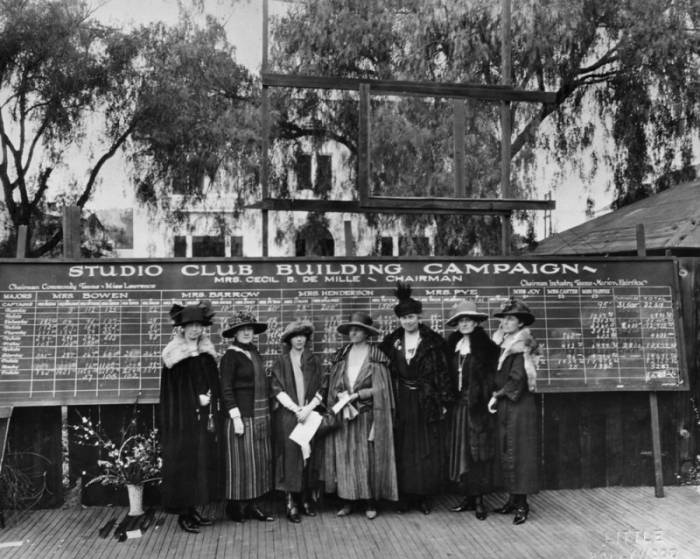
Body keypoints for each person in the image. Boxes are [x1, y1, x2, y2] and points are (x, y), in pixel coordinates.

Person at [379, 283, 450, 514]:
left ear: (418, 317)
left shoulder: (433, 341)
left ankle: (424, 497)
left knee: (425, 448)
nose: (408, 322)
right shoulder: (391, 342)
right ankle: (405, 496)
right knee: (403, 447)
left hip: (425, 399)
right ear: (398, 320)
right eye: (403, 318)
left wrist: (443, 402)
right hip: (401, 400)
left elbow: (442, 373)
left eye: (411, 317)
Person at [323, 311, 398, 519]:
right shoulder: (341, 355)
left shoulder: (376, 357)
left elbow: (382, 391)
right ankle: (347, 501)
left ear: (367, 334)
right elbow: (333, 385)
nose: (353, 333)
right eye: (351, 330)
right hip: (345, 416)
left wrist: (358, 394)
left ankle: (369, 502)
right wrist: (340, 395)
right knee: (345, 458)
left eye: (358, 330)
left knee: (367, 459)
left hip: (367, 415)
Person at [160, 300, 220, 533]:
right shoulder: (173, 355)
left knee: (199, 464)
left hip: (204, 419)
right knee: (184, 464)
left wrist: (210, 397)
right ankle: (184, 514)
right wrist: (195, 400)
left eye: (199, 325)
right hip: (183, 420)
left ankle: (194, 510)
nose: (195, 329)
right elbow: (174, 393)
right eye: (191, 325)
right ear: (182, 328)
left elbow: (212, 381)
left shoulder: (206, 352)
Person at [444, 300, 500, 521]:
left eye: (469, 320)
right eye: (461, 321)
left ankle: (479, 501)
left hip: (477, 409)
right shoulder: (452, 346)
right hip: (458, 408)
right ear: (456, 325)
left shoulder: (487, 348)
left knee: (477, 453)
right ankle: (467, 497)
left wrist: (481, 397)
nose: (465, 324)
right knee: (462, 453)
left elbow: (491, 378)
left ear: (476, 323)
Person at [487, 298, 541, 525]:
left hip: (518, 405)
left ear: (520, 323)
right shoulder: (503, 342)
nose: (506, 322)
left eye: (511, 319)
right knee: (508, 450)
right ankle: (512, 499)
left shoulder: (523, 345)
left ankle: (522, 504)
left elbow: (517, 379)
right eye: (504, 319)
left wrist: (496, 395)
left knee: (519, 453)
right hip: (506, 404)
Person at [219, 310, 275, 523]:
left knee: (258, 463)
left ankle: (253, 505)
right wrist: (235, 417)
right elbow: (226, 388)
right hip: (241, 419)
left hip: (259, 417)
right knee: (240, 465)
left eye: (249, 329)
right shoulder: (230, 356)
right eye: (241, 329)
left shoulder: (254, 353)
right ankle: (234, 507)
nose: (246, 332)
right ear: (234, 333)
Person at [270, 319, 326, 523]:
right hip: (288, 416)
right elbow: (277, 390)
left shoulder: (314, 361)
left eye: (303, 335)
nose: (299, 339)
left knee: (307, 458)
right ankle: (290, 501)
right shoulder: (281, 362)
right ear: (289, 340)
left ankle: (304, 499)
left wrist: (308, 409)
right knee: (289, 456)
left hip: (309, 415)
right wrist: (296, 409)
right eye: (295, 336)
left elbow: (322, 388)